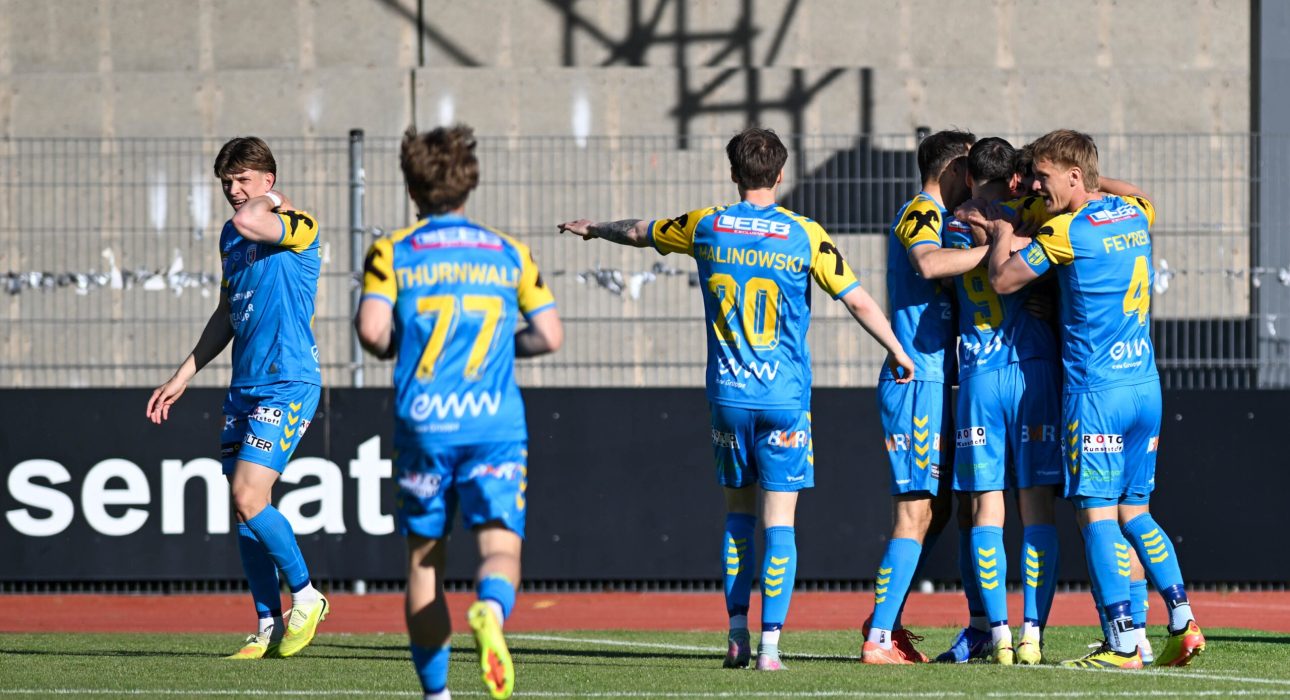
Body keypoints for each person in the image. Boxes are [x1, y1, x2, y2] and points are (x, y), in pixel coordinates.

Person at [559, 126, 913, 672]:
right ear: (780, 174)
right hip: (784, 398)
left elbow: (639, 232)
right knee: (781, 523)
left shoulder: (707, 225)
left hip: (728, 396)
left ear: (733, 173)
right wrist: (897, 350)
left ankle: (735, 635)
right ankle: (771, 649)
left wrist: (595, 229)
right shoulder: (805, 234)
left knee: (736, 517)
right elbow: (858, 301)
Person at [982, 128, 1206, 669]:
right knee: (1137, 512)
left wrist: (1001, 229)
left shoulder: (1065, 230)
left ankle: (1123, 643)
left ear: (1075, 176)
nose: (1037, 185)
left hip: (1097, 393)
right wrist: (1095, 183)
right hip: (1144, 386)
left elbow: (1004, 280)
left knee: (1097, 513)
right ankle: (1182, 619)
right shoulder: (1134, 214)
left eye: (1045, 176)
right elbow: (1139, 194)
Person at [356, 125, 562, 700]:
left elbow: (373, 332)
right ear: (470, 182)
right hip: (494, 423)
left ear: (411, 187)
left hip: (425, 420)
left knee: (425, 560)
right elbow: (549, 335)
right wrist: (502, 346)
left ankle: (437, 695)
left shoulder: (391, 250)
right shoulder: (508, 251)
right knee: (499, 547)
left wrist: (403, 345)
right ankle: (491, 613)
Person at [146, 136, 329, 659]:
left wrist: (265, 201)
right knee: (246, 507)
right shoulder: (233, 236)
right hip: (243, 386)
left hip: (288, 380)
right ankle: (268, 622)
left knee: (249, 496)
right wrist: (182, 375)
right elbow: (227, 312)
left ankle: (309, 597)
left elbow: (253, 219)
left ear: (268, 181)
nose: (233, 191)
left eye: (244, 180)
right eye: (228, 182)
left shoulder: (297, 226)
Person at [863, 129, 982, 666]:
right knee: (915, 512)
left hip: (944, 382)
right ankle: (879, 638)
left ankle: (888, 619)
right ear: (956, 166)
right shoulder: (920, 211)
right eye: (973, 168)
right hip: (918, 383)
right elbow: (929, 265)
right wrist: (995, 251)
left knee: (950, 511)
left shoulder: (948, 219)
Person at [943, 137, 1063, 665]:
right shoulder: (1032, 219)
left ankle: (998, 636)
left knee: (985, 508)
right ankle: (1033, 632)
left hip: (979, 376)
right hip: (1032, 368)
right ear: (1017, 178)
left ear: (970, 176)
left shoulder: (955, 222)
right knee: (1036, 509)